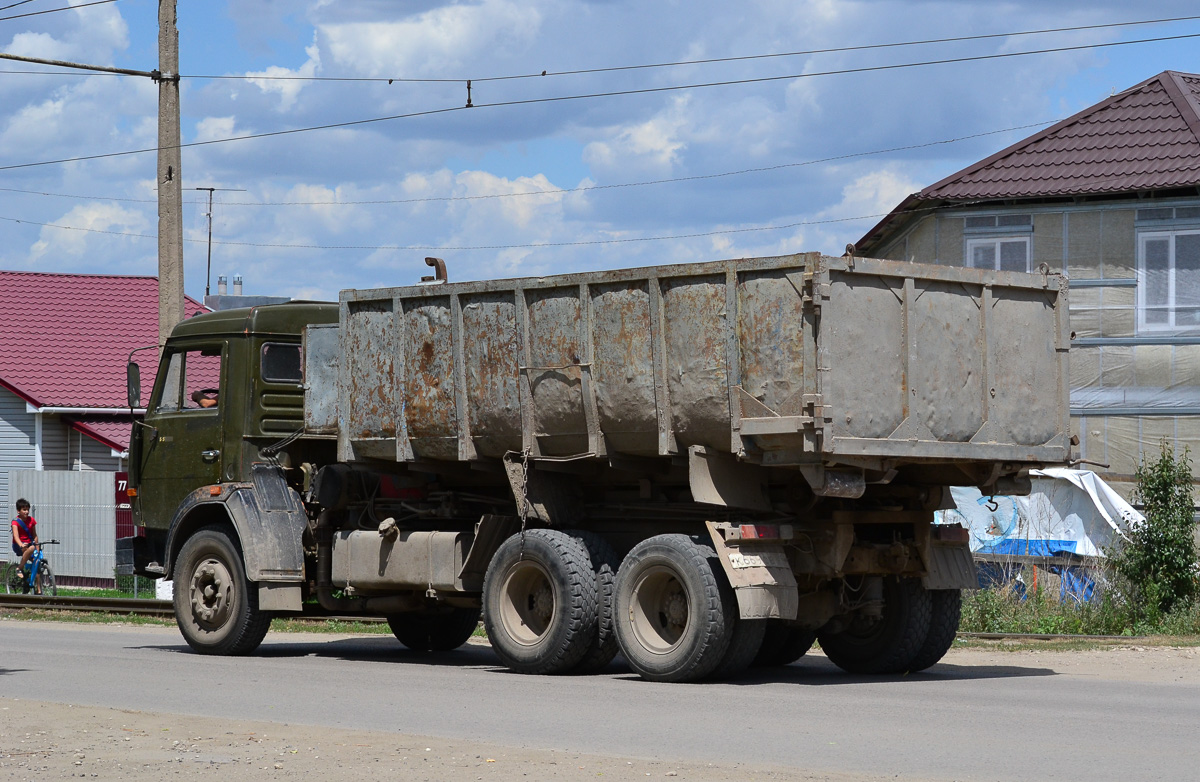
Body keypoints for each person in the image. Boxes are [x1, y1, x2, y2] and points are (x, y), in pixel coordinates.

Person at [10, 498, 38, 576]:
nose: (26, 512)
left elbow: (34, 535)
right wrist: (21, 545)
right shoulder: (15, 522)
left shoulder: (31, 520)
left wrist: (37, 546)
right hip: (18, 545)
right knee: (32, 548)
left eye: (27, 510)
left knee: (37, 563)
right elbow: (16, 536)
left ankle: (38, 588)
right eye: (24, 509)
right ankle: (19, 568)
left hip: (29, 545)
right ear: (18, 511)